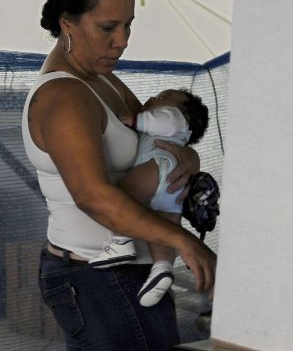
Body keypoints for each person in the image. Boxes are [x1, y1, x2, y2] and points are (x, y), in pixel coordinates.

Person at [22, 0, 216, 351]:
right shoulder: (65, 97)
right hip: (99, 277)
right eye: (107, 28)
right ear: (67, 22)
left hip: (120, 273)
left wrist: (188, 160)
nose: (121, 41)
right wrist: (183, 241)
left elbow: (158, 139)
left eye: (128, 26)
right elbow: (94, 196)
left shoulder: (102, 79)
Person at [88, 88, 210, 308]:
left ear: (185, 114)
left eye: (164, 98)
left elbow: (166, 121)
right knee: (164, 228)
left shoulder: (174, 119)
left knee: (123, 196)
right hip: (171, 183)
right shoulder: (173, 127)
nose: (154, 98)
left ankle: (120, 242)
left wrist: (134, 119)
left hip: (158, 164)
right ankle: (162, 268)